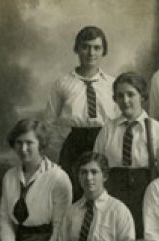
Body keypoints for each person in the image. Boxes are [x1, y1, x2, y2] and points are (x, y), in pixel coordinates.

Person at [94, 71, 159, 237]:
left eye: (131, 94)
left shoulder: (158, 130)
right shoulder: (107, 130)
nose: (125, 101)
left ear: (142, 96)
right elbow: (97, 167)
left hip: (145, 195)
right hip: (114, 195)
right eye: (120, 96)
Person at [44, 26, 118, 200]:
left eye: (97, 48)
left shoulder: (112, 84)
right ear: (77, 49)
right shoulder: (63, 84)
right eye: (85, 47)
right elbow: (49, 121)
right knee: (73, 194)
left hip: (104, 141)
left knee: (103, 195)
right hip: (73, 144)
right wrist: (61, 147)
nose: (91, 53)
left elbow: (120, 119)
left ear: (103, 51)